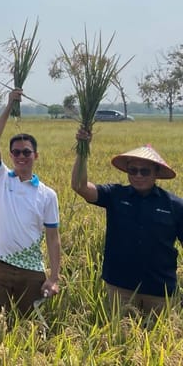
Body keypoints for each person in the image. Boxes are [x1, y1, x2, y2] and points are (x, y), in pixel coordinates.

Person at [72, 130, 183, 314]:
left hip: (159, 290)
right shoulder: (115, 195)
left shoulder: (175, 205)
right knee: (118, 331)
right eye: (133, 170)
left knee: (160, 333)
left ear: (156, 173)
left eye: (144, 171)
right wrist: (82, 150)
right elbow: (80, 186)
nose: (138, 175)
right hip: (120, 287)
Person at [0, 88, 61, 315]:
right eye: (16, 152)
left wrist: (54, 277)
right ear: (11, 155)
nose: (21, 157)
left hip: (31, 270)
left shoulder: (47, 194)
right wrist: (9, 105)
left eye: (26, 152)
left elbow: (53, 238)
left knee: (28, 324)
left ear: (36, 155)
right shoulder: (1, 178)